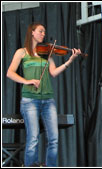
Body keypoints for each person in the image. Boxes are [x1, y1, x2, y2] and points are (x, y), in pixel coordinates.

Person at [6, 22, 81, 167]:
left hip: (48, 100)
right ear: (32, 32)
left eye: (44, 32)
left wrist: (70, 60)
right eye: (41, 31)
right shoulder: (22, 52)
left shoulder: (47, 54)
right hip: (30, 101)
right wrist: (27, 81)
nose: (43, 34)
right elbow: (10, 73)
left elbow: (53, 73)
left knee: (54, 139)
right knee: (33, 138)